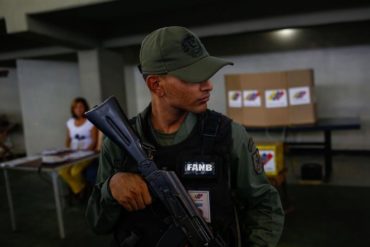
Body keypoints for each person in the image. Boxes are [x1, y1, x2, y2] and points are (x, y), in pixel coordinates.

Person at [86, 26, 284, 247]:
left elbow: (265, 206)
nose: (208, 86)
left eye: (207, 75)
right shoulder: (118, 141)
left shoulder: (229, 135)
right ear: (156, 84)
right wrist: (111, 187)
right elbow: (98, 224)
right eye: (193, 77)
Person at [59, 97, 98, 195]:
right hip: (73, 153)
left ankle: (79, 194)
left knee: (75, 172)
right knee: (62, 171)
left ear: (85, 107)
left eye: (81, 107)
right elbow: (68, 139)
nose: (78, 109)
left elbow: (94, 140)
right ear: (73, 109)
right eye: (76, 107)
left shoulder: (90, 121)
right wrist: (67, 151)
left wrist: (85, 153)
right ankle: (80, 189)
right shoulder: (70, 122)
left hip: (87, 154)